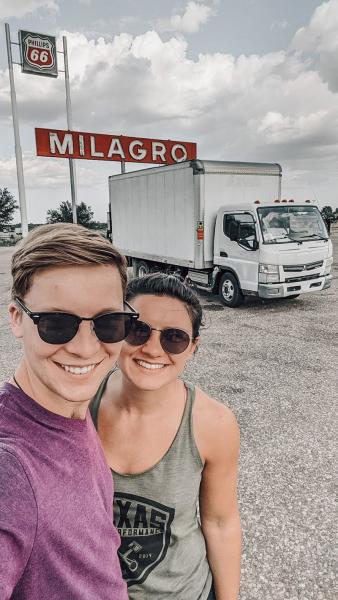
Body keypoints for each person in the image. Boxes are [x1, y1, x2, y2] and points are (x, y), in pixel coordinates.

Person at [0, 223, 138, 599]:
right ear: (16, 318)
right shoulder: (11, 468)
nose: (85, 348)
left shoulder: (71, 405)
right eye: (57, 324)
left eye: (109, 324)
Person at [90, 273, 241, 600]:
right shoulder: (79, 405)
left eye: (174, 338)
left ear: (193, 348)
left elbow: (220, 523)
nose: (152, 349)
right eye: (137, 330)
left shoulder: (213, 424)